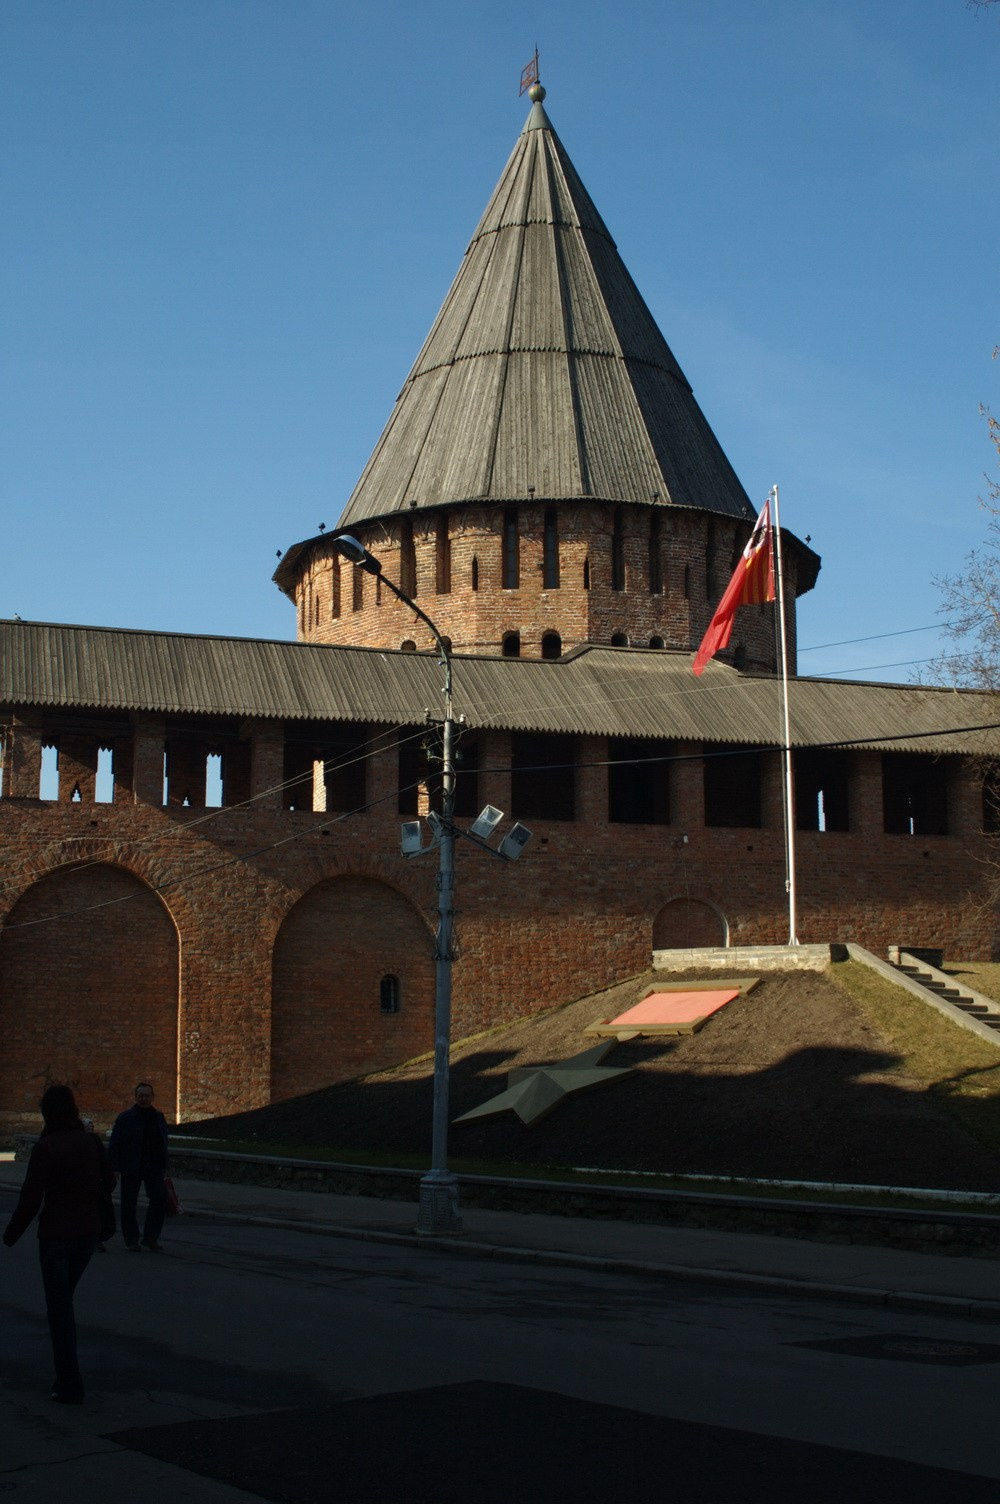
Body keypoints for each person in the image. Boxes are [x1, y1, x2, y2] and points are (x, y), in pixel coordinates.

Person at [3, 1083, 115, 1404]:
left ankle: (69, 1382)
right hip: (87, 1234)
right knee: (64, 1301)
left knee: (60, 1308)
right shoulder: (91, 1143)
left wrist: (10, 1235)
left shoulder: (47, 1147)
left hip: (56, 1236)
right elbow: (109, 1181)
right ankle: (67, 1380)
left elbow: (30, 1199)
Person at [108, 1082, 169, 1251]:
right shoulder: (126, 1118)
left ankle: (151, 1237)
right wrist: (115, 1166)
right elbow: (115, 1142)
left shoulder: (158, 1117)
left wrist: (164, 1164)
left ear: (152, 1097)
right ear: (135, 1097)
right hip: (131, 1165)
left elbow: (163, 1141)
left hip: (153, 1165)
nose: (143, 1099)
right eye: (140, 1096)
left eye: (147, 1096)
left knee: (159, 1199)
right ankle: (131, 1240)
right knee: (129, 1204)